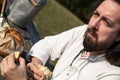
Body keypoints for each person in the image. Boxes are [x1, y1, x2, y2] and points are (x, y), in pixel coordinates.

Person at [1, 0, 120, 80]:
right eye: (96, 14)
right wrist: (36, 64)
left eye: (106, 22)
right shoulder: (84, 32)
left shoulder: (112, 75)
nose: (94, 24)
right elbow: (47, 45)